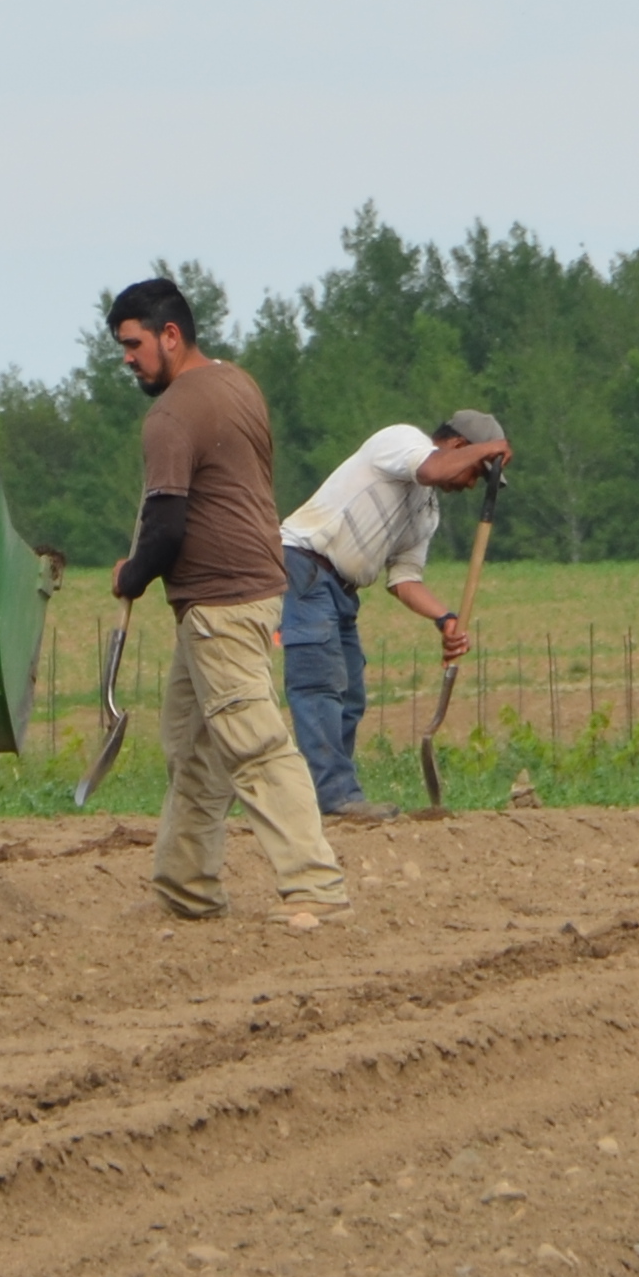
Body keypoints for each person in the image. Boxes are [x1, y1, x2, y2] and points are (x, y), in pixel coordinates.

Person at [104, 278, 349, 920]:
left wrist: (131, 576)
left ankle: (317, 888)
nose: (127, 359)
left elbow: (165, 529)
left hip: (222, 602)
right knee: (193, 749)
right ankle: (186, 889)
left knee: (255, 744)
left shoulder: (170, 416)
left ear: (170, 335)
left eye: (133, 344)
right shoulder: (238, 383)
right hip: (247, 590)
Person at [276, 410, 514, 818]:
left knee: (350, 695)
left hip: (342, 590)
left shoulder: (427, 512)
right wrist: (491, 448)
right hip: (304, 565)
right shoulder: (402, 441)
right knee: (320, 684)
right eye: (475, 471)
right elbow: (431, 469)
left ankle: (324, 800)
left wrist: (445, 619)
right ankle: (336, 797)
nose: (471, 484)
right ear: (459, 445)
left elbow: (404, 579)